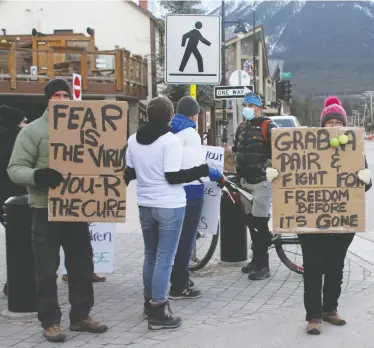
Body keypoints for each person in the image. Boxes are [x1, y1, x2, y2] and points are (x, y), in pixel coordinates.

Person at [7, 78, 108, 343]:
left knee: (82, 265)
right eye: (57, 95)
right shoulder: (32, 131)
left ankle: (81, 316)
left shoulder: (83, 125)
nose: (62, 98)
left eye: (66, 94)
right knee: (46, 269)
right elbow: (15, 168)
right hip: (45, 209)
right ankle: (51, 322)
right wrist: (38, 176)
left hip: (76, 209)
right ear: (48, 99)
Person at [267, 96, 372, 335]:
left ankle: (330, 309)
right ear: (322, 124)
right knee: (313, 266)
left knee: (335, 266)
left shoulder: (353, 147)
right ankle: (313, 315)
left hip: (341, 221)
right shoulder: (305, 145)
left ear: (344, 124)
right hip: (310, 220)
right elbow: (288, 174)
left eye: (337, 121)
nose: (333, 126)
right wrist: (275, 175)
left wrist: (365, 179)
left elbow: (362, 185)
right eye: (329, 121)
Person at [124, 96, 223, 331]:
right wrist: (204, 170)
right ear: (169, 115)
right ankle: (159, 310)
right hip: (169, 205)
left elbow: (129, 173)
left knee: (150, 254)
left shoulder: (133, 140)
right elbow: (172, 176)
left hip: (145, 204)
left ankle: (149, 303)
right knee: (164, 258)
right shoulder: (170, 142)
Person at [232, 92, 278, 280]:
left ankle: (263, 265)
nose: (248, 109)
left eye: (251, 106)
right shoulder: (242, 127)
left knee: (259, 223)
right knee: (251, 223)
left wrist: (268, 169)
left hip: (261, 182)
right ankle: (255, 259)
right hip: (244, 182)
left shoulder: (269, 126)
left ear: (259, 107)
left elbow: (280, 151)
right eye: (245, 105)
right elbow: (236, 149)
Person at [169, 96, 205, 300]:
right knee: (187, 240)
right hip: (191, 192)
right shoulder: (190, 134)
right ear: (193, 115)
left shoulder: (170, 130)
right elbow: (197, 167)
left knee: (174, 240)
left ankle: (177, 278)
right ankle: (180, 285)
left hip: (173, 191)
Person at [0, 105, 28, 296]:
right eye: (24, 121)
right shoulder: (16, 143)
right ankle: (16, 283)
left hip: (5, 201)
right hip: (18, 201)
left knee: (14, 240)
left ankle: (14, 282)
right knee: (22, 242)